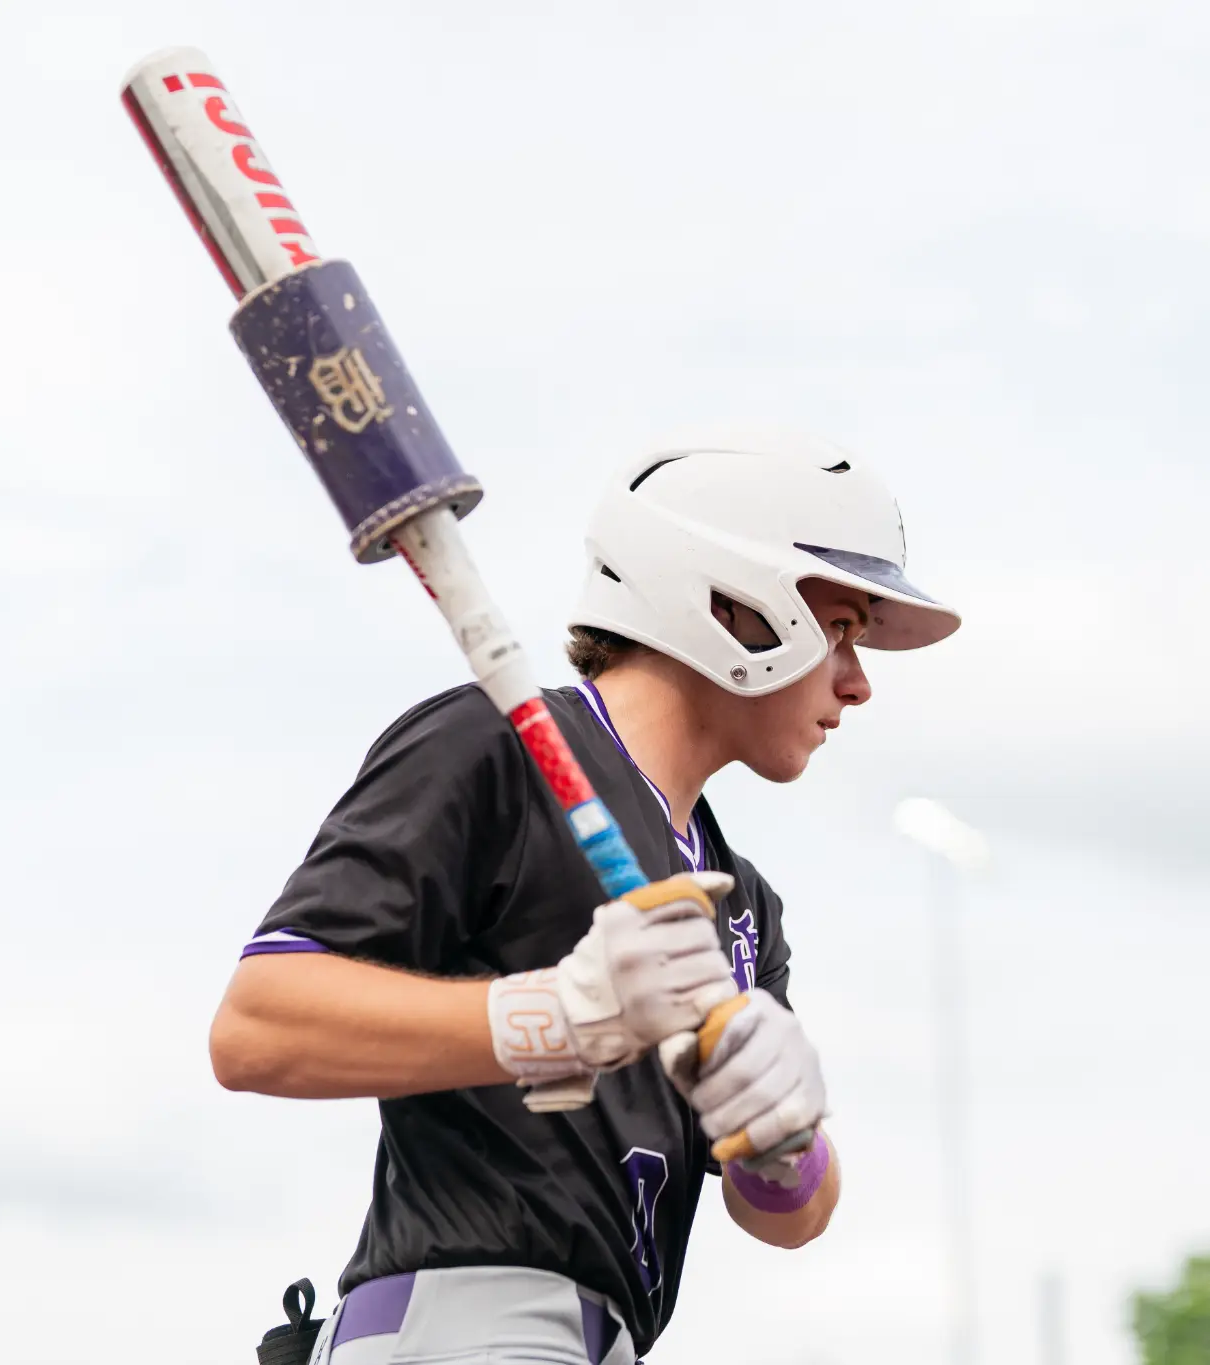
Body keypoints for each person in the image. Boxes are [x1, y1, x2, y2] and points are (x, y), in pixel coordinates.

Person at [208, 428, 961, 1364]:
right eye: (842, 629)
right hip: (463, 1328)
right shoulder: (495, 745)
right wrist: (559, 1016)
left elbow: (794, 1218)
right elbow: (257, 1028)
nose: (858, 683)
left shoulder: (743, 905)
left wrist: (785, 1140)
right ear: (735, 603)